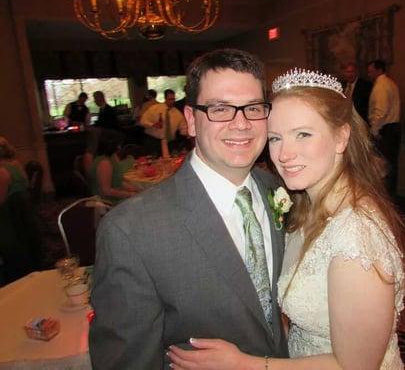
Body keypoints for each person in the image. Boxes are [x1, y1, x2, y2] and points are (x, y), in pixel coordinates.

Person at [168, 69, 405, 370]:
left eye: (303, 134)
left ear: (341, 136)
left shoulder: (356, 236)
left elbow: (357, 367)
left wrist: (243, 364)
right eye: (275, 138)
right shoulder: (307, 207)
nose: (284, 154)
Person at [89, 49, 289, 369]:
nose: (241, 124)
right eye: (220, 108)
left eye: (253, 108)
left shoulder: (282, 191)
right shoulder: (129, 230)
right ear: (192, 121)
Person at [0, 137, 41, 284]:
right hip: (25, 212)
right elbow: (26, 183)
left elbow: (1, 202)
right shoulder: (16, 164)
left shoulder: (2, 172)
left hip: (11, 216)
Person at [367, 59, 401, 197]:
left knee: (383, 167)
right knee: (391, 166)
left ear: (379, 70)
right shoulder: (391, 83)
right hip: (393, 128)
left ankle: (385, 199)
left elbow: (380, 112)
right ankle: (390, 197)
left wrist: (374, 131)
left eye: (371, 71)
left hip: (385, 130)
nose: (369, 74)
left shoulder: (381, 86)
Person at [89, 131, 138, 204]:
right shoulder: (104, 163)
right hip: (106, 202)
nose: (120, 147)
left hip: (116, 196)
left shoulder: (113, 157)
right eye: (119, 144)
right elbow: (106, 191)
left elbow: (118, 182)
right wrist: (130, 194)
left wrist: (136, 190)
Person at [140, 88, 188, 156]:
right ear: (165, 98)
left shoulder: (177, 113)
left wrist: (188, 134)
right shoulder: (155, 109)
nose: (172, 101)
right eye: (170, 99)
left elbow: (183, 128)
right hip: (154, 141)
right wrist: (152, 125)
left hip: (170, 143)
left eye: (173, 99)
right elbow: (143, 120)